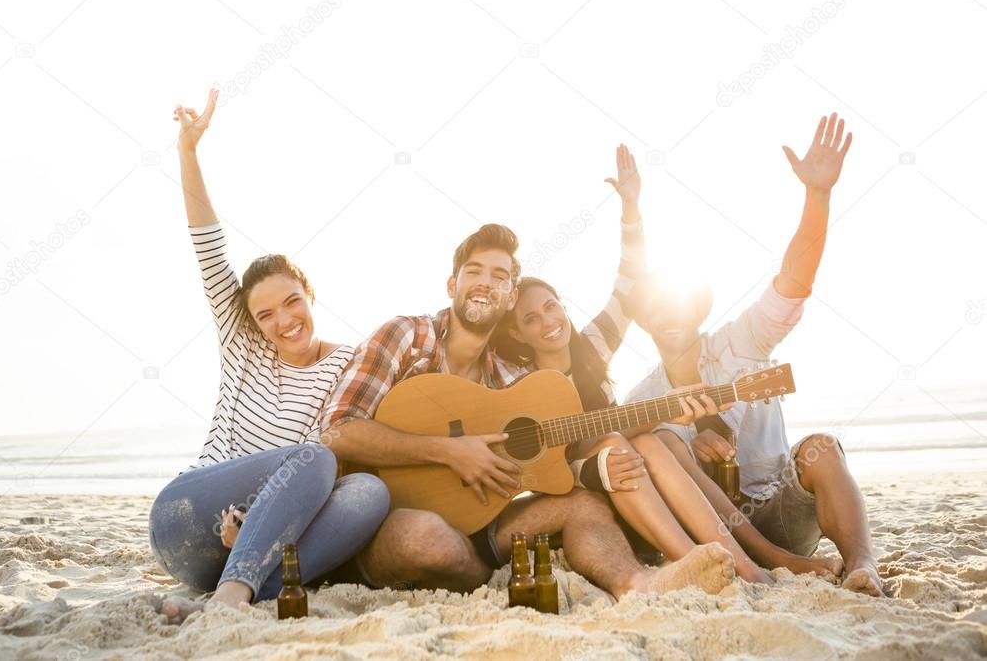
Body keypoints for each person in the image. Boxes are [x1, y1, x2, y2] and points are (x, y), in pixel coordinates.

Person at [315, 217, 740, 599]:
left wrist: (663, 411)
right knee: (429, 539)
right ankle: (483, 575)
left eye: (499, 277)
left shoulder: (511, 379)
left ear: (509, 295)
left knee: (585, 506)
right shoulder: (406, 336)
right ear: (452, 285)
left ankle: (638, 583)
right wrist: (446, 451)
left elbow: (568, 441)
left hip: (486, 525)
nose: (486, 283)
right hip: (393, 520)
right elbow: (337, 431)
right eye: (474, 272)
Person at [490, 145, 837, 583]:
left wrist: (631, 210)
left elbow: (629, 280)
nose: (549, 323)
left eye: (552, 307)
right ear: (518, 333)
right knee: (622, 443)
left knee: (659, 442)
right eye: (531, 319)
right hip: (581, 479)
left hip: (621, 471)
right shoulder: (517, 383)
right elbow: (545, 456)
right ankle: (708, 559)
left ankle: (737, 563)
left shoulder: (591, 346)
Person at [149, 90, 390, 624]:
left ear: (309, 295)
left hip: (257, 542)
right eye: (266, 315)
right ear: (250, 322)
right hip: (189, 518)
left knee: (369, 490)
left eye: (291, 303)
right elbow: (208, 245)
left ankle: (233, 593)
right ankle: (237, 589)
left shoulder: (352, 364)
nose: (283, 322)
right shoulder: (244, 343)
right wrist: (189, 152)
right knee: (316, 457)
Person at [627, 113, 885, 596]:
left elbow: (794, 280)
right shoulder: (645, 394)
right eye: (654, 307)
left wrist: (818, 197)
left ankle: (862, 564)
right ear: (641, 318)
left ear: (697, 306)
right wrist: (689, 451)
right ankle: (760, 564)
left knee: (823, 447)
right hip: (713, 532)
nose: (669, 313)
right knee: (662, 443)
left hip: (779, 509)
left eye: (677, 301)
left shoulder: (742, 341)